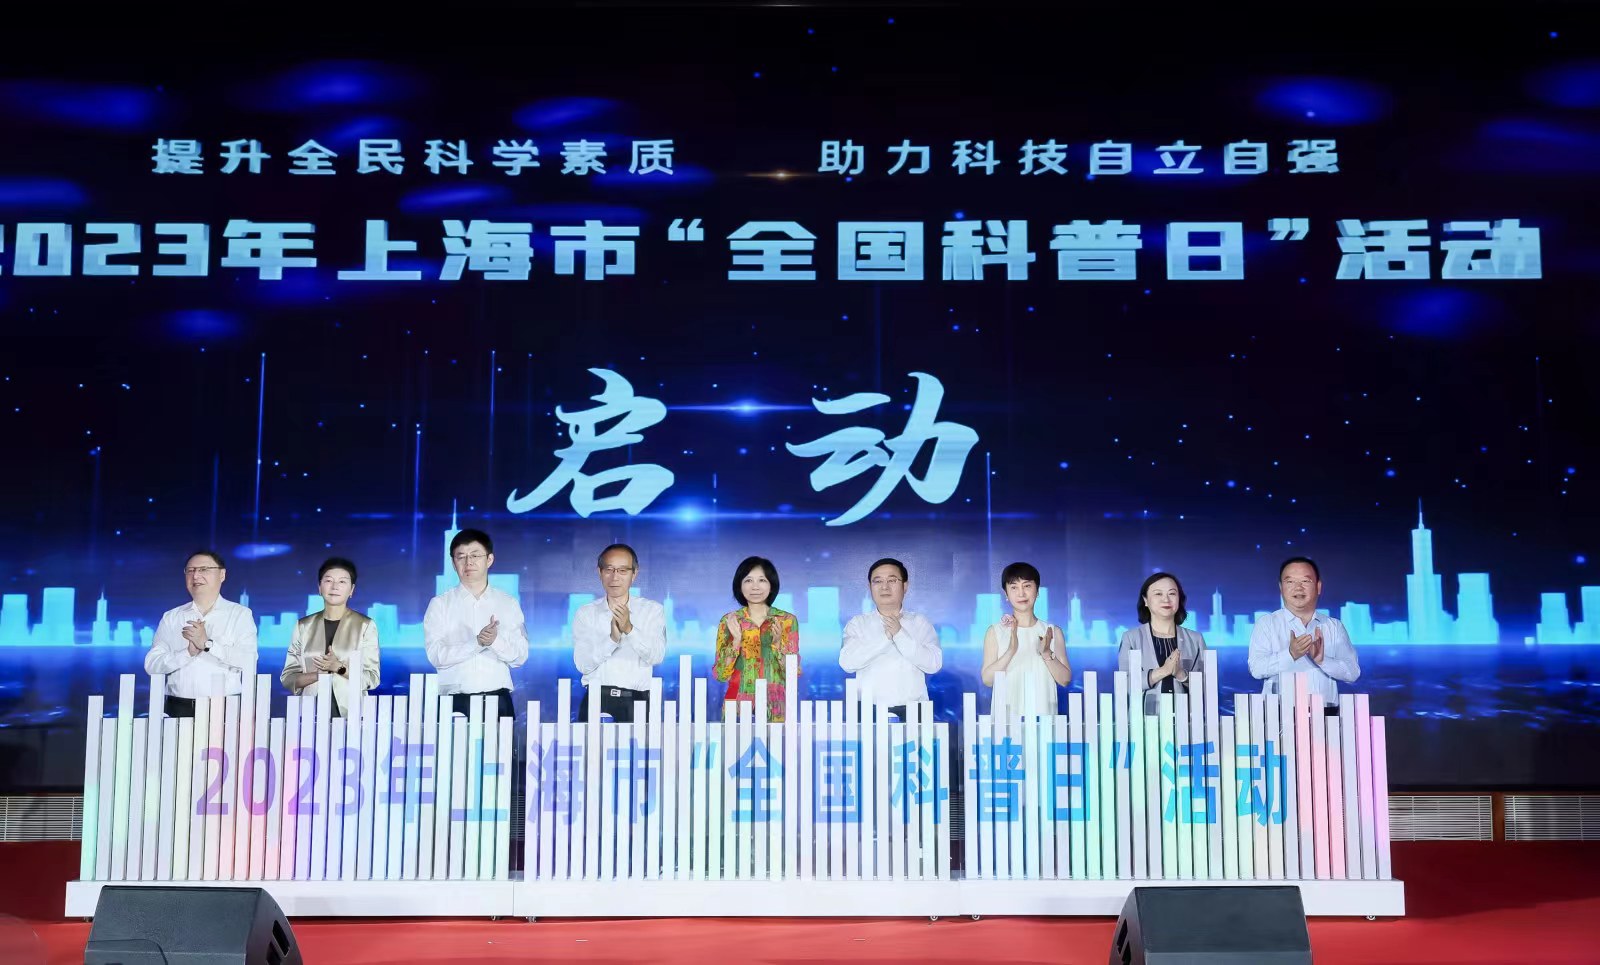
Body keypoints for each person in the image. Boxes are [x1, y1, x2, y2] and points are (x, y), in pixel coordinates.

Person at [423, 528, 529, 720]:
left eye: (475, 555)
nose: (468, 562)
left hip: (498, 700)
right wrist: (477, 643)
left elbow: (520, 657)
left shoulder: (508, 604)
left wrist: (494, 641)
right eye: (461, 557)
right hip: (454, 701)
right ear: (453, 563)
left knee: (501, 742)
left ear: (489, 559)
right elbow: (436, 656)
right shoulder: (439, 604)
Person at [144, 550, 259, 718]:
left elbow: (248, 662)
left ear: (222, 575)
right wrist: (187, 653)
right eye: (190, 570)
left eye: (204, 569)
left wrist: (207, 644)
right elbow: (152, 665)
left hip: (225, 709)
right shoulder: (172, 617)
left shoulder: (240, 615)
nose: (196, 575)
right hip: (177, 708)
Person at [1248, 556, 1361, 707]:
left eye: (1305, 581)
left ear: (1318, 587)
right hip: (1279, 714)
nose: (1298, 587)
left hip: (1326, 714)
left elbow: (1353, 673)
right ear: (1281, 588)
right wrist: (1291, 654)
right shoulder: (1266, 624)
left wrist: (1322, 660)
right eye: (1290, 582)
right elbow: (1256, 669)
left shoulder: (1334, 626)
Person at [839, 558, 943, 719]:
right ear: (870, 587)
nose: (884, 587)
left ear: (905, 586)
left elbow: (934, 664)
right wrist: (886, 638)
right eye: (877, 581)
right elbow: (847, 663)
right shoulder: (858, 624)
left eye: (892, 580)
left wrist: (900, 634)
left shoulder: (919, 622)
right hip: (869, 711)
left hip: (914, 711)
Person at [572, 543, 666, 722]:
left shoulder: (652, 610)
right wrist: (612, 639)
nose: (615, 577)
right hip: (596, 700)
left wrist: (629, 629)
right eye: (609, 569)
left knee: (639, 742)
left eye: (623, 570)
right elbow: (583, 664)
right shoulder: (586, 613)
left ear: (634, 574)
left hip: (637, 701)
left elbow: (656, 656)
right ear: (600, 572)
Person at [280, 557, 380, 716]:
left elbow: (372, 678)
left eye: (342, 582)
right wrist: (317, 676)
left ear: (352, 590)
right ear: (319, 587)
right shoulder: (303, 626)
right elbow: (288, 678)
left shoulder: (365, 625)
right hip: (310, 715)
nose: (335, 586)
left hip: (351, 714)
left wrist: (339, 668)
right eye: (328, 580)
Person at [713, 556, 801, 722]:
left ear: (771, 585)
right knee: (735, 740)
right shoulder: (729, 621)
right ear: (739, 585)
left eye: (762, 580)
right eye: (748, 580)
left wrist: (777, 645)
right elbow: (720, 674)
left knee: (775, 740)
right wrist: (736, 641)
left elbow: (793, 672)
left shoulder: (786, 621)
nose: (755, 586)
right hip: (737, 703)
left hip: (775, 705)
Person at [980, 561, 1071, 714]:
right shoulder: (995, 632)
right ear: (1006, 594)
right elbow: (987, 680)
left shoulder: (1052, 632)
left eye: (1027, 586)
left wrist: (1047, 653)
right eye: (1014, 587)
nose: (1021, 593)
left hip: (1044, 717)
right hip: (1006, 719)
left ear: (1037, 590)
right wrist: (1011, 650)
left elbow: (1065, 680)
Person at [1118, 572, 1207, 714]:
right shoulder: (1131, 638)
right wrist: (1162, 671)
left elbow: (1206, 687)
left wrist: (1181, 674)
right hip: (1143, 720)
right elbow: (1124, 684)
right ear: (1145, 600)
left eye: (1172, 593)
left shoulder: (1196, 639)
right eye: (1158, 594)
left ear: (1179, 599)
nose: (1166, 599)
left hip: (1185, 720)